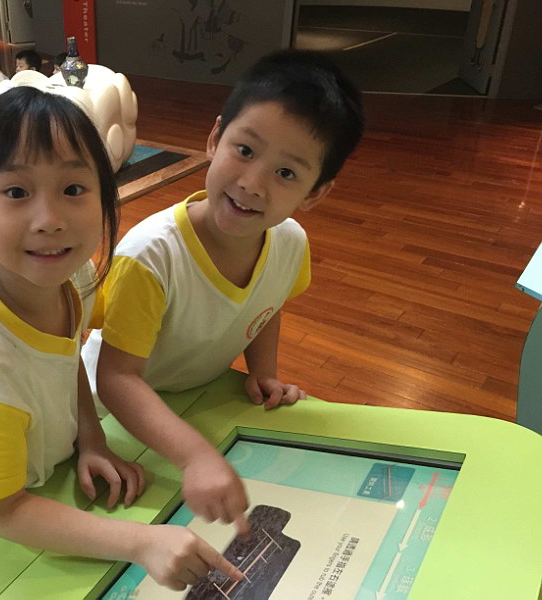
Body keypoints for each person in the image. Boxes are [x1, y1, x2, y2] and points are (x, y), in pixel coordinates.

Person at [0, 87, 245, 591]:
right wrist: (140, 541)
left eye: (73, 189)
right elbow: (3, 512)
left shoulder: (71, 278)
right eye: (17, 193)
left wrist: (91, 438)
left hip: (45, 490)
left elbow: (67, 354)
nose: (50, 220)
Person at [83, 50, 365, 534]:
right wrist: (195, 457)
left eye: (287, 173)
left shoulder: (290, 243)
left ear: (316, 193)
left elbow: (267, 304)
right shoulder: (150, 256)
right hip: (109, 419)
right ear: (215, 138)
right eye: (245, 150)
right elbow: (117, 379)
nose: (252, 184)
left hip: (193, 400)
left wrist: (264, 372)